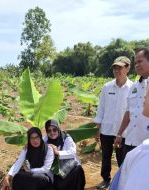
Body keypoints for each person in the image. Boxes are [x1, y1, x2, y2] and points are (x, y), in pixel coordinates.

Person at [94, 56, 133, 189]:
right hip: (107, 129)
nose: (117, 71)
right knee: (105, 157)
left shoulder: (133, 88)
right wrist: (98, 128)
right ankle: (106, 179)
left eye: (120, 68)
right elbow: (101, 109)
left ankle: (121, 181)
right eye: (115, 68)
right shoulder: (107, 87)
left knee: (122, 159)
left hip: (124, 131)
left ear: (128, 68)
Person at [114, 47, 149, 161]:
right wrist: (119, 134)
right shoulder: (135, 86)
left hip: (145, 143)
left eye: (140, 61)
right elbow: (128, 111)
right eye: (135, 63)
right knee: (127, 173)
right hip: (130, 140)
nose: (137, 65)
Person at [44, 119, 85, 190]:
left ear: (58, 129)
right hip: (55, 170)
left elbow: (72, 152)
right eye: (49, 131)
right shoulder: (45, 140)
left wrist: (57, 153)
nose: (52, 132)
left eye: (54, 130)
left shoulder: (66, 138)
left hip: (69, 166)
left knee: (77, 170)